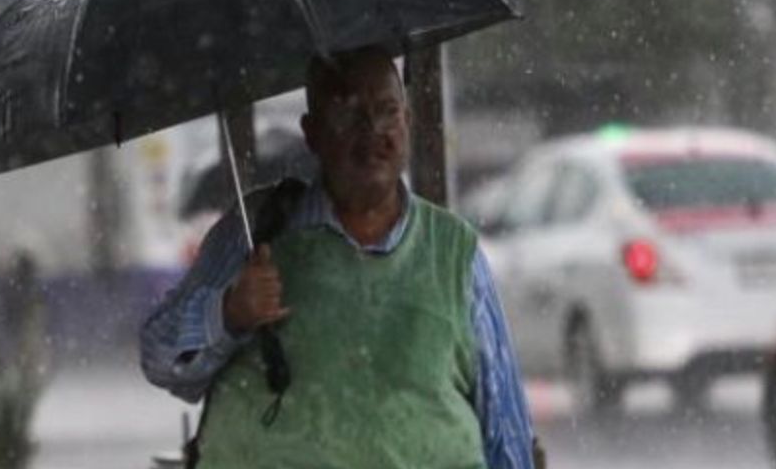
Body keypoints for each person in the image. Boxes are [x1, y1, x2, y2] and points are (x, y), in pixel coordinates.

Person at [140, 46, 538, 469]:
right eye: (348, 114)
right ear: (312, 133)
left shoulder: (456, 253)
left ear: (408, 120)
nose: (372, 131)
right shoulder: (255, 233)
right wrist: (230, 313)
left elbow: (505, 431)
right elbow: (159, 359)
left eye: (387, 111)